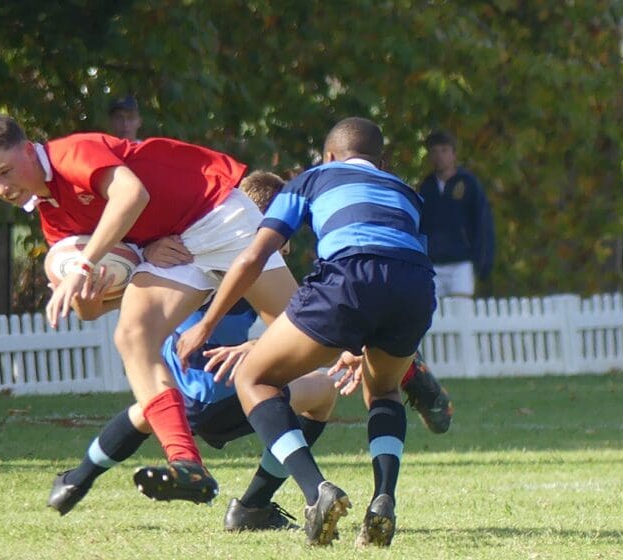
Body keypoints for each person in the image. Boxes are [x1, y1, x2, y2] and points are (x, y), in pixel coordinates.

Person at [0, 114, 297, 505]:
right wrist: (89, 297)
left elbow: (131, 195)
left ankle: (375, 376)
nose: (1, 188)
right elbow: (90, 312)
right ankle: (187, 465)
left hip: (217, 213)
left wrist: (86, 264)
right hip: (178, 248)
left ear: (27, 149)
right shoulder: (53, 217)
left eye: (4, 171)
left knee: (306, 335)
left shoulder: (71, 152)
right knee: (133, 336)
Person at [176, 118, 436, 547]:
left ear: (328, 155)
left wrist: (206, 324)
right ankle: (383, 498)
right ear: (381, 159)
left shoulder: (311, 179)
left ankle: (317, 491)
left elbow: (254, 256)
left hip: (347, 278)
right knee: (385, 391)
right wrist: (366, 337)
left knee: (254, 378)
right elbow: (404, 265)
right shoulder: (406, 193)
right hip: (414, 288)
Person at [49, 170, 338, 531]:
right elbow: (297, 331)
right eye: (288, 232)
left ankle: (77, 478)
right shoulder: (253, 263)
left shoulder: (180, 253)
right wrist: (254, 345)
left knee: (148, 408)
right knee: (324, 390)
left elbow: (101, 310)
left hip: (179, 397)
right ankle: (255, 504)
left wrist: (92, 298)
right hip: (224, 397)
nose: (289, 245)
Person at [417, 129, 495, 298]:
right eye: (435, 151)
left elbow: (482, 223)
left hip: (462, 261)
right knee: (435, 315)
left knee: (462, 313)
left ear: (454, 154)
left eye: (444, 150)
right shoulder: (426, 187)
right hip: (434, 263)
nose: (439, 156)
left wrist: (482, 261)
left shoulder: (468, 184)